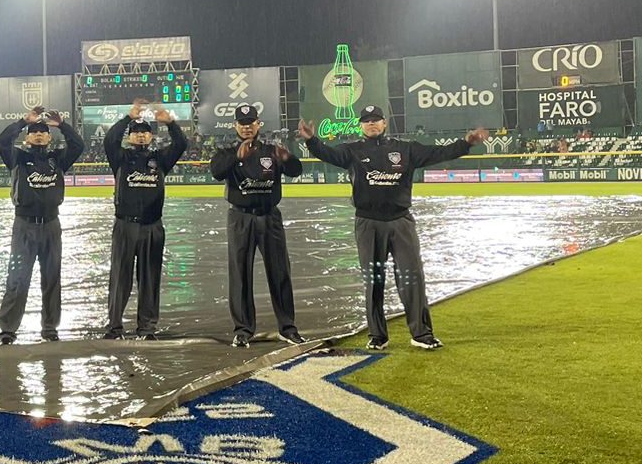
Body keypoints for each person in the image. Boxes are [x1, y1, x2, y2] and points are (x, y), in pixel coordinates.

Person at [299, 104, 488, 351]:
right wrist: (312, 141)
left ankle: (421, 334)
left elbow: (439, 152)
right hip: (368, 223)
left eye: (376, 120)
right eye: (366, 121)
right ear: (361, 125)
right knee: (374, 280)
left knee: (413, 277)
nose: (372, 124)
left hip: (400, 221)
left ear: (385, 123)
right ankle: (378, 335)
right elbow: (328, 154)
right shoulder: (352, 151)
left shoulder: (405, 149)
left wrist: (466, 143)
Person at [208, 103, 307, 348]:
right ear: (235, 126)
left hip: (269, 216)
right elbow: (217, 172)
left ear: (258, 124)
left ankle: (288, 328)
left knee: (280, 272)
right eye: (242, 123)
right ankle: (243, 330)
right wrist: (235, 157)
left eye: (251, 122)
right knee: (240, 273)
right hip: (240, 217)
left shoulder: (273, 151)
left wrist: (288, 157)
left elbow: (296, 170)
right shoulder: (225, 151)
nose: (247, 127)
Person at [0, 106, 85, 343]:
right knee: (17, 278)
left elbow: (78, 146)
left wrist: (63, 125)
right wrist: (23, 120)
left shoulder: (57, 159)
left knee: (51, 278)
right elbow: (2, 141)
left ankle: (50, 327)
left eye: (42, 132)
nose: (38, 135)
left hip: (51, 225)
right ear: (27, 137)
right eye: (33, 132)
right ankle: (8, 329)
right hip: (24, 225)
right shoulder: (18, 158)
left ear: (48, 137)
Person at [102, 99, 188, 340]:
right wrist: (128, 117)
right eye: (136, 132)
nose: (140, 136)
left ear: (151, 136)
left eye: (145, 132)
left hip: (152, 226)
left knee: (150, 279)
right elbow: (109, 140)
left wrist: (171, 123)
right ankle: (114, 327)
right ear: (130, 136)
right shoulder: (119, 157)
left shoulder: (160, 159)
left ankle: (147, 328)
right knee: (120, 279)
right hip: (125, 225)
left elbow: (181, 143)